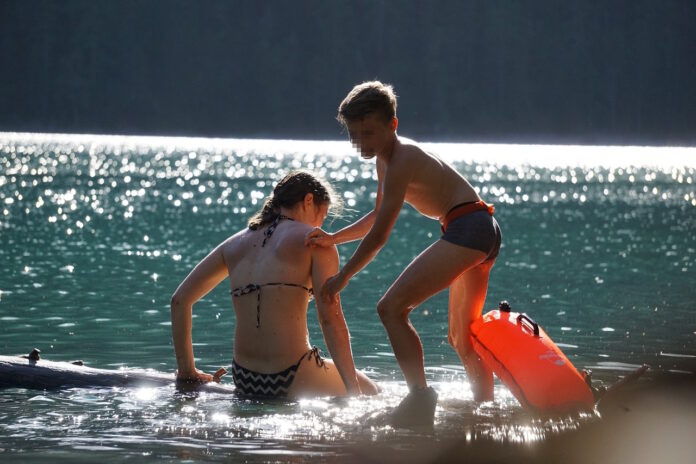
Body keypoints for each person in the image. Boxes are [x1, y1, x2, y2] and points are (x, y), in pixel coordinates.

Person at [306, 81, 501, 426]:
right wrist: (333, 238)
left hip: (470, 229)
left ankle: (420, 399)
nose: (360, 143)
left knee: (391, 309)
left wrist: (341, 278)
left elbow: (381, 235)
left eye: (368, 133)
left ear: (393, 125)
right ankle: (486, 413)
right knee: (459, 337)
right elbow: (376, 217)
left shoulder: (403, 160)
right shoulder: (386, 161)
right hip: (480, 229)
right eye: (353, 135)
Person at [171, 171, 379, 399]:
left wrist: (187, 371)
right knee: (373, 391)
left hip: (244, 378)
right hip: (293, 374)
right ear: (309, 200)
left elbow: (180, 300)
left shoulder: (233, 244)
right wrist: (353, 392)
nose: (321, 225)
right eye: (323, 215)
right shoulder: (316, 242)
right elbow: (330, 318)